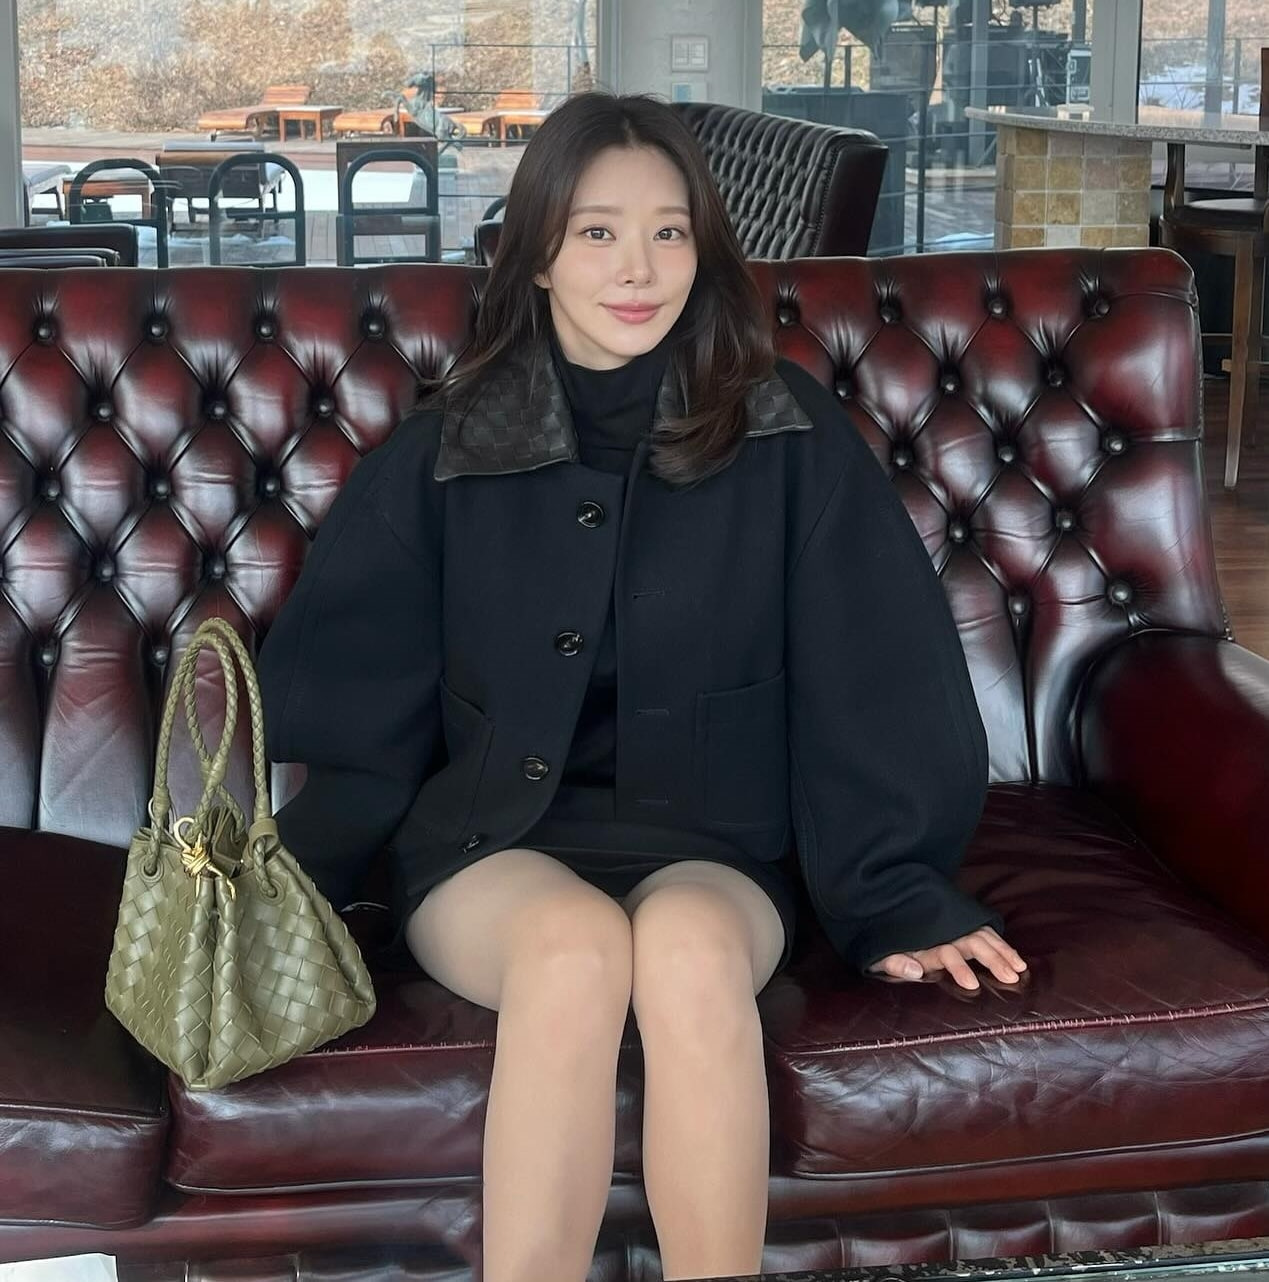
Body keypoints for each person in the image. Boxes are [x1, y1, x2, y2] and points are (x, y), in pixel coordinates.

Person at [257, 90, 1027, 1282]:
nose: (638, 268)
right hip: (496, 845)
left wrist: (898, 895)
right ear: (538, 254)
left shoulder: (787, 431)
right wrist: (296, 887)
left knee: (687, 953)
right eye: (598, 232)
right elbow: (364, 701)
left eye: (670, 232)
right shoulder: (449, 448)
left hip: (715, 843)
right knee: (571, 951)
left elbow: (873, 670)